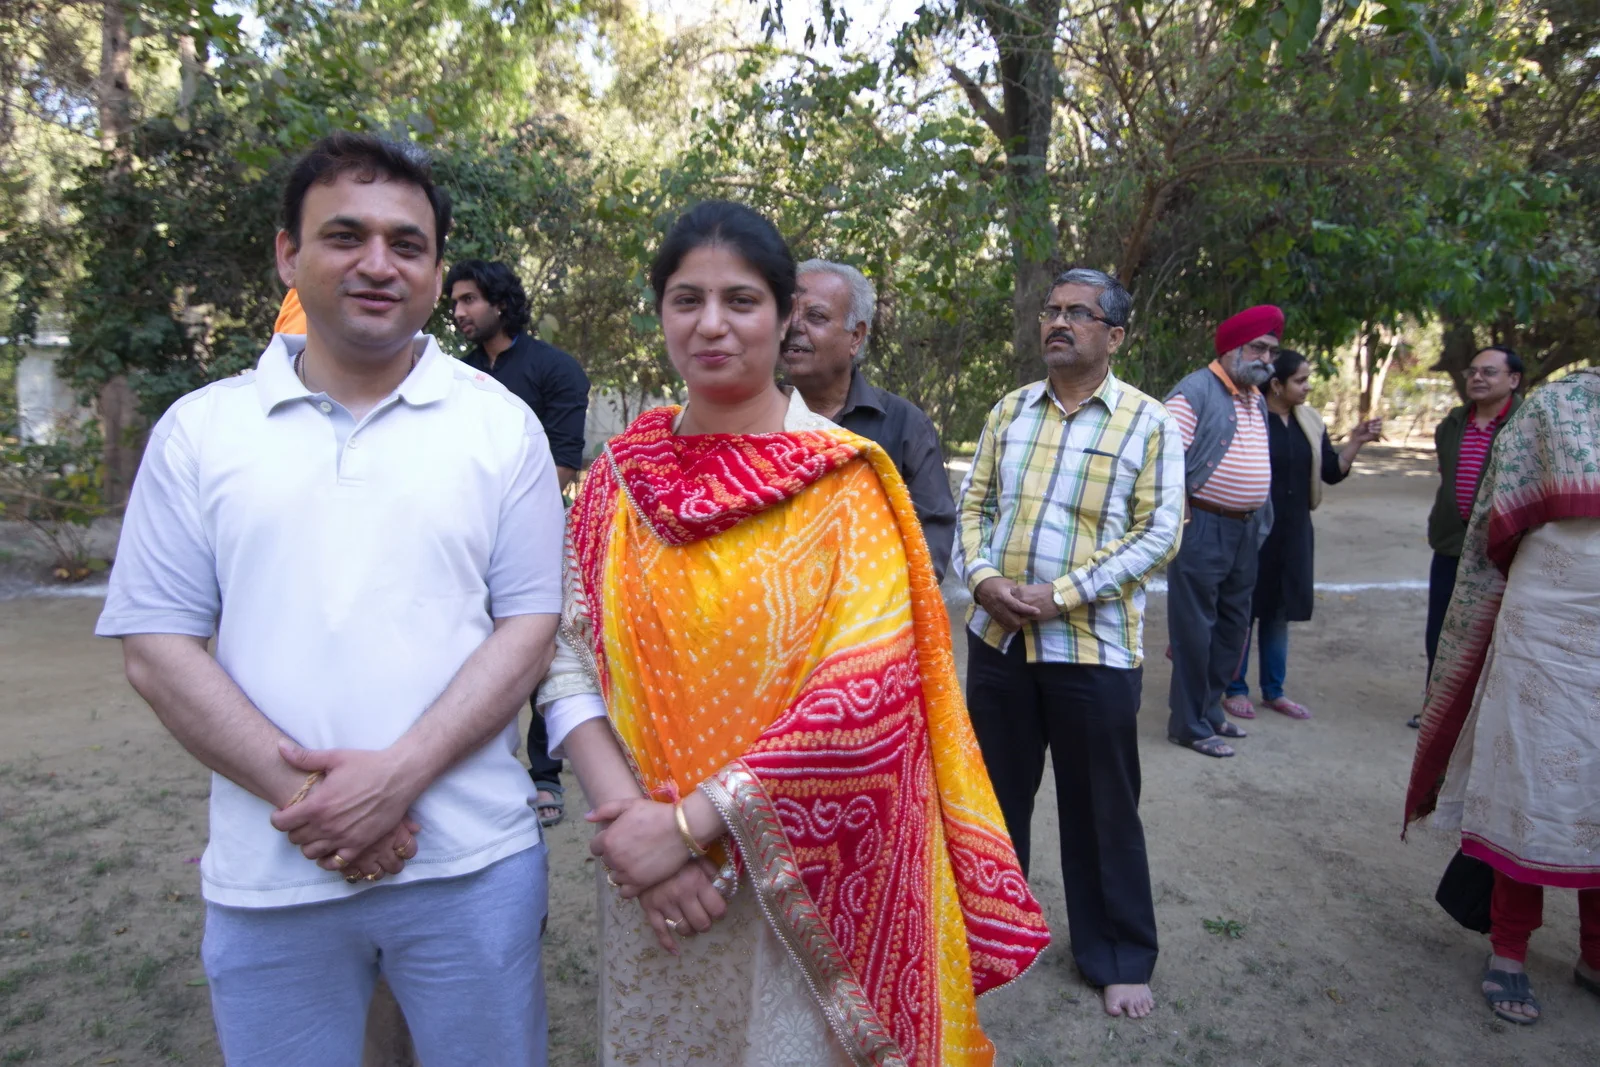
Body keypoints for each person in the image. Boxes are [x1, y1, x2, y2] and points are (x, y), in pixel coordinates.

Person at [534, 201, 1049, 1065]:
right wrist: (636, 831)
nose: (712, 323)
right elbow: (569, 656)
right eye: (687, 299)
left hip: (803, 876)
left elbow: (863, 698)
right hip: (648, 873)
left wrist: (687, 827)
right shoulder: (619, 480)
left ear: (784, 319)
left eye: (741, 300)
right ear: (660, 313)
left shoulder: (842, 483)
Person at [94, 132, 565, 1065]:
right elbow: (156, 646)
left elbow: (530, 625)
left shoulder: (501, 427)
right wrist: (309, 796)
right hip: (272, 875)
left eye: (407, 243)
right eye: (345, 236)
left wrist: (395, 779)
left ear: (435, 269)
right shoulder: (200, 432)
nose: (378, 263)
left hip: (471, 865)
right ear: (288, 254)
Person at [954, 267, 1184, 1018]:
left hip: (1094, 647)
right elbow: (974, 507)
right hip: (999, 641)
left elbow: (1160, 533)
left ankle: (1117, 956)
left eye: (1078, 313)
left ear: (1114, 336)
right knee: (992, 801)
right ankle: (988, 937)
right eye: (1051, 310)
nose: (1058, 322)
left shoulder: (1148, 421)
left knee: (1101, 808)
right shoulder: (1009, 410)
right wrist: (985, 579)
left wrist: (1064, 593)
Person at [1404, 365, 1600, 1026]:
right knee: (1529, 782)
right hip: (1549, 632)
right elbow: (1497, 520)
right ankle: (1509, 948)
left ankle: (1596, 952)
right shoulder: (1556, 408)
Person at [447, 258, 590, 826]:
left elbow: (564, 461)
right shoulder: (452, 378)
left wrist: (503, 519)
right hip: (462, 533)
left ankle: (544, 774)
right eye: (454, 303)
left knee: (536, 647)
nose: (458, 312)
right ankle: (476, 763)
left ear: (500, 303)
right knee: (469, 647)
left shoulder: (555, 369)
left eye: (469, 300)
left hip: (536, 532)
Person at [1222, 350, 1382, 720]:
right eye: (1301, 380)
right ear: (1276, 385)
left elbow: (1330, 472)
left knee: (1279, 611)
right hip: (1251, 529)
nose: (1308, 387)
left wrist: (1356, 441)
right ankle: (1234, 687)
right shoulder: (1248, 417)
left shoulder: (1309, 420)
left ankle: (1274, 691)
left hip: (1294, 531)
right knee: (1243, 609)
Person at [781, 259, 958, 580]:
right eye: (787, 313)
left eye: (815, 316)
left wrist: (870, 597)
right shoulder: (752, 418)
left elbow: (931, 541)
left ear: (856, 337)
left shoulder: (906, 425)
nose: (794, 325)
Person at [1162, 306, 1279, 757]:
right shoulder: (1193, 392)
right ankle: (1188, 724)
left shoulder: (1254, 396)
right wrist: (1183, 521)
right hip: (1202, 525)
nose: (1267, 359)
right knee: (1194, 630)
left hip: (1245, 529)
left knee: (1233, 626)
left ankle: (1210, 710)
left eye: (1272, 351)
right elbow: (1164, 465)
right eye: (1258, 348)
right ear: (1232, 348)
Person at [1408, 344, 1524, 728]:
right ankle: (1435, 709)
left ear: (1513, 380)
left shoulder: (1527, 425)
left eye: (1489, 372)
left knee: (1496, 633)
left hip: (1504, 550)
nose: (1477, 377)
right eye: (1472, 371)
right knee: (1441, 630)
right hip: (1449, 544)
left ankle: (1483, 717)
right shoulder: (1452, 424)